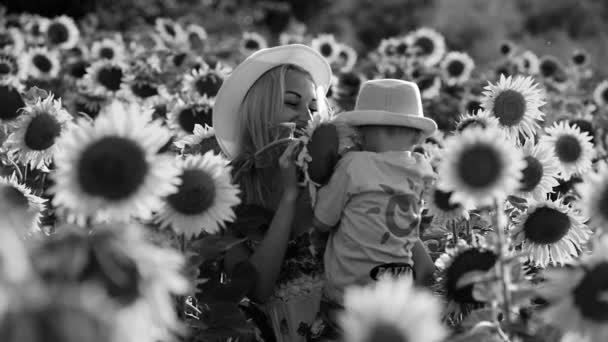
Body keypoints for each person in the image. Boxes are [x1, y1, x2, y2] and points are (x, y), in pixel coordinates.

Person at [210, 44, 332, 342]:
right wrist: (290, 198)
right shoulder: (227, 192)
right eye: (292, 104)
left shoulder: (333, 177)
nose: (307, 117)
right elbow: (258, 288)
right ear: (261, 110)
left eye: (314, 108)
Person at [311, 79, 437, 337]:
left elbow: (322, 220)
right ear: (416, 135)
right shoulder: (421, 169)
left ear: (361, 132)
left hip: (347, 297)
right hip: (397, 295)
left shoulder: (353, 165)